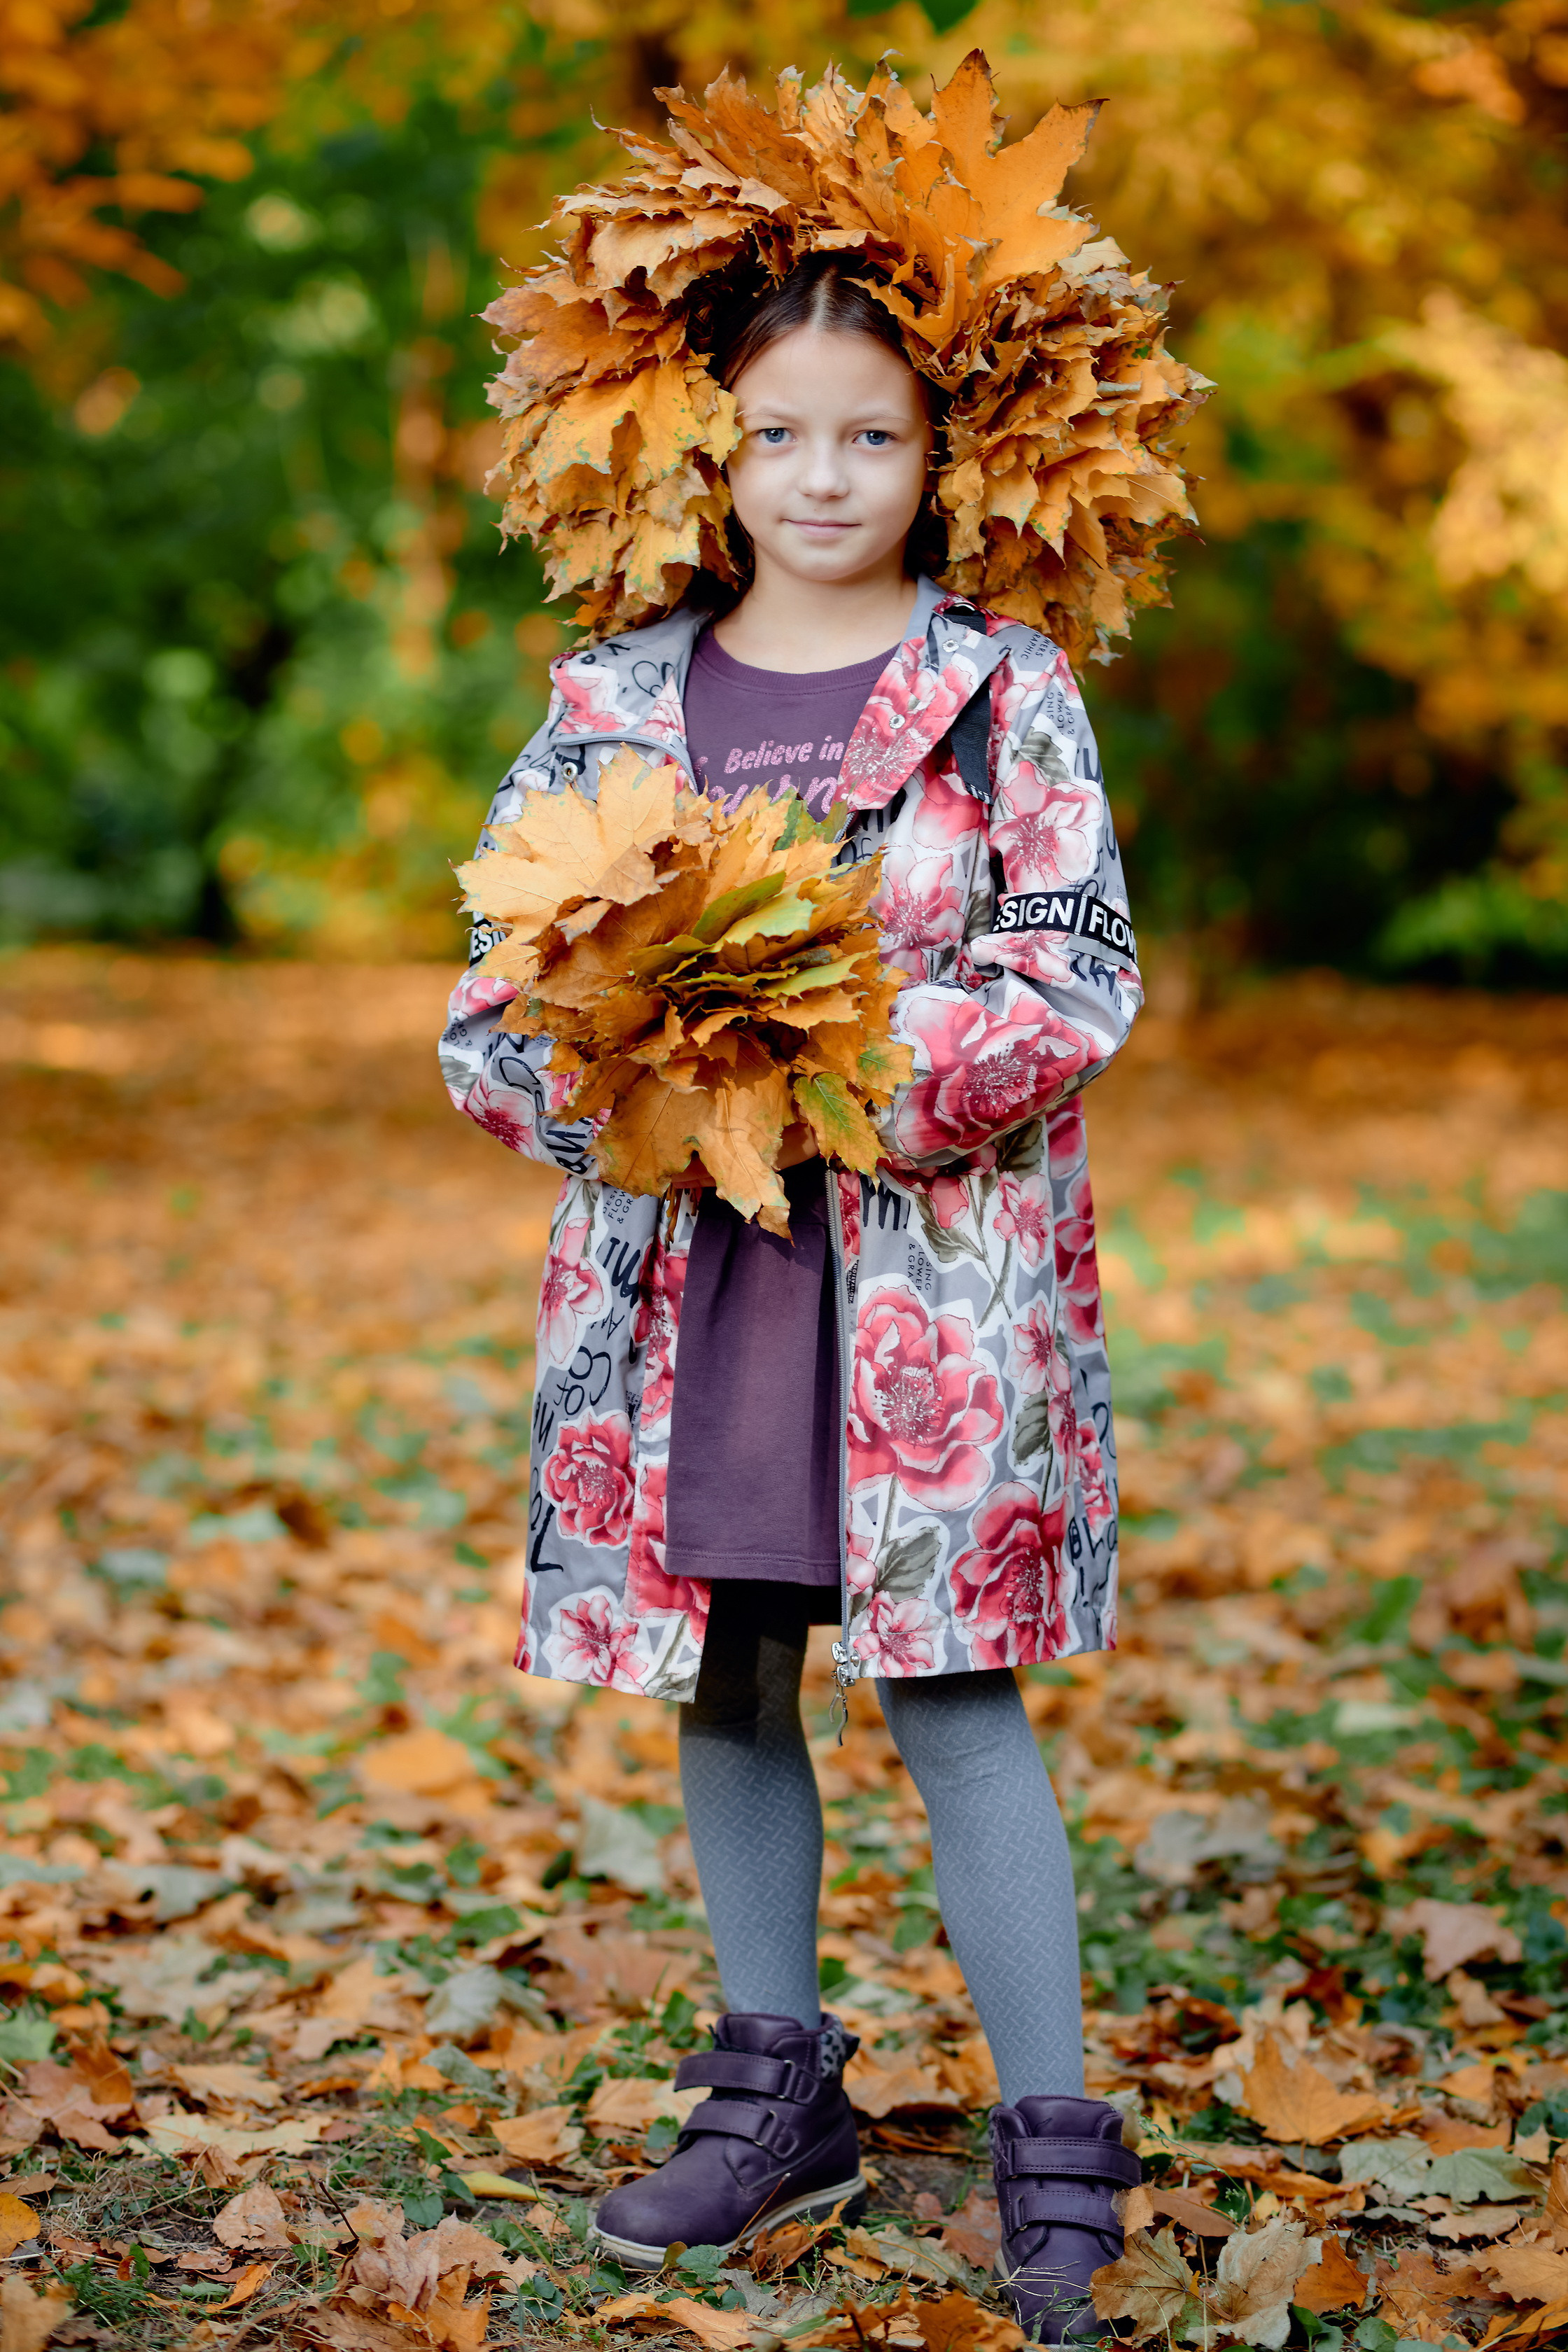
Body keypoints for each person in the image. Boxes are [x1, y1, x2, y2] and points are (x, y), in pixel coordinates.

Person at [441, 57, 1196, 2342]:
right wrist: (629, 1087)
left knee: (954, 1696)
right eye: (782, 433)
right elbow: (493, 1008)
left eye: (872, 431)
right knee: (727, 1669)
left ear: (941, 453)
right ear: (711, 448)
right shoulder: (615, 702)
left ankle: (1056, 2133)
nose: (828, 473)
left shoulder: (1000, 694)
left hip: (924, 1289)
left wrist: (834, 1064)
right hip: (689, 1285)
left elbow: (1075, 972)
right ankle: (778, 2088)